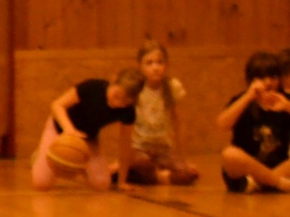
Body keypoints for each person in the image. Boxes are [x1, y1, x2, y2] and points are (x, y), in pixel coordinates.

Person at [30, 69, 144, 192]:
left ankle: (80, 163)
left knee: (101, 184)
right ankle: (40, 156)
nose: (117, 103)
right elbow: (57, 105)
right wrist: (69, 130)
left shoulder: (128, 111)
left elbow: (125, 145)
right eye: (116, 95)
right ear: (113, 80)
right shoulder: (92, 88)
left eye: (125, 102)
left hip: (87, 138)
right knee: (41, 183)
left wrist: (122, 181)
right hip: (59, 127)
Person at [126, 40, 199, 186]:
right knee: (142, 163)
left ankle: (154, 176)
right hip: (140, 149)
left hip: (163, 150)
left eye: (159, 62)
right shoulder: (135, 89)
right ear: (140, 66)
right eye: (149, 63)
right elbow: (126, 126)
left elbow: (178, 123)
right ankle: (160, 177)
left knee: (189, 174)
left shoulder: (172, 87)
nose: (155, 68)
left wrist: (184, 160)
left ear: (166, 64)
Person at [218, 51, 290, 193]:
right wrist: (248, 97)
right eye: (261, 78)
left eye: (273, 77)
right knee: (229, 155)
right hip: (247, 170)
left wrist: (288, 107)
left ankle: (260, 183)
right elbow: (222, 124)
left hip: (277, 167)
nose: (268, 82)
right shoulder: (241, 100)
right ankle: (276, 183)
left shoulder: (285, 99)